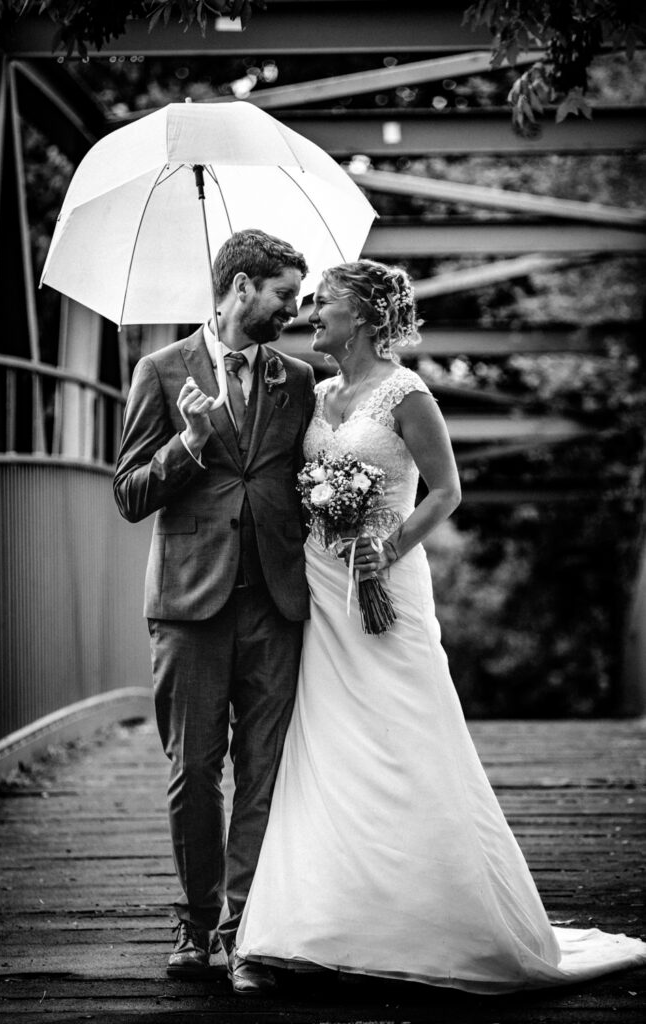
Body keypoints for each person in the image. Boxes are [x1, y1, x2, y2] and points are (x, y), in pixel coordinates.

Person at [236, 259, 646, 992]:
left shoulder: (407, 393)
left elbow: (447, 490)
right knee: (325, 742)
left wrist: (385, 547)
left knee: (403, 732)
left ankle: (436, 918)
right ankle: (306, 925)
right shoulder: (320, 392)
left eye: (322, 302)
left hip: (382, 582)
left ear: (360, 315)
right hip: (322, 587)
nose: (310, 311)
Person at [113, 229, 315, 995]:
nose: (292, 309)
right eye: (281, 295)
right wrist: (190, 442)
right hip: (189, 605)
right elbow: (130, 493)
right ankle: (194, 923)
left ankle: (243, 925)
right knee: (192, 772)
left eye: (296, 298)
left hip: (275, 598)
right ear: (238, 288)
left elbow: (309, 473)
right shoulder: (159, 371)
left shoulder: (298, 379)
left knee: (262, 770)